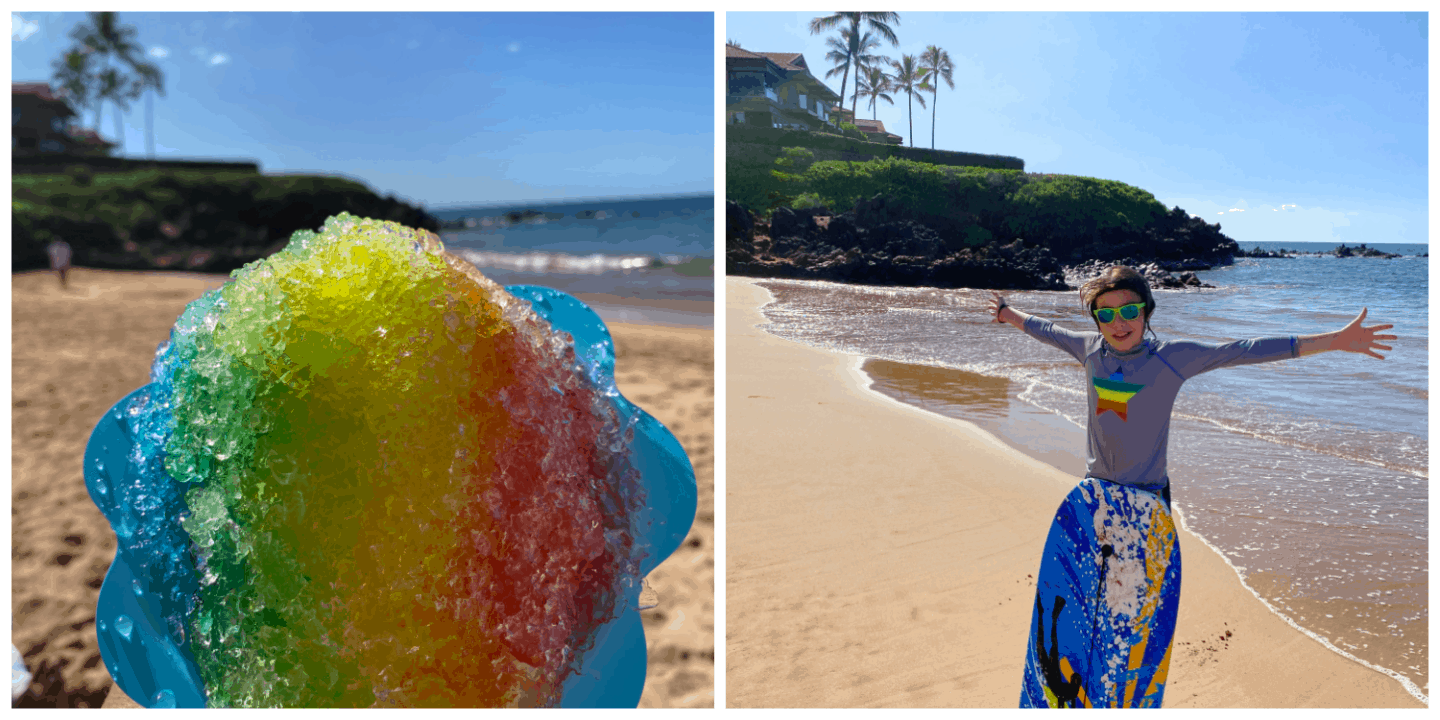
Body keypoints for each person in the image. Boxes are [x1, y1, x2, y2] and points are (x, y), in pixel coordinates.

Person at [990, 265, 1394, 707]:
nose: (1119, 323)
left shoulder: (1172, 357)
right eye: (1106, 315)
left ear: (1147, 311)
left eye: (1129, 311)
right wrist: (1008, 314)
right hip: (1094, 501)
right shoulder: (1090, 350)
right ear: (1096, 321)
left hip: (1145, 507)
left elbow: (1243, 349)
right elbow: (1045, 329)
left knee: (1126, 615)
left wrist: (1333, 340)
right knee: (1080, 610)